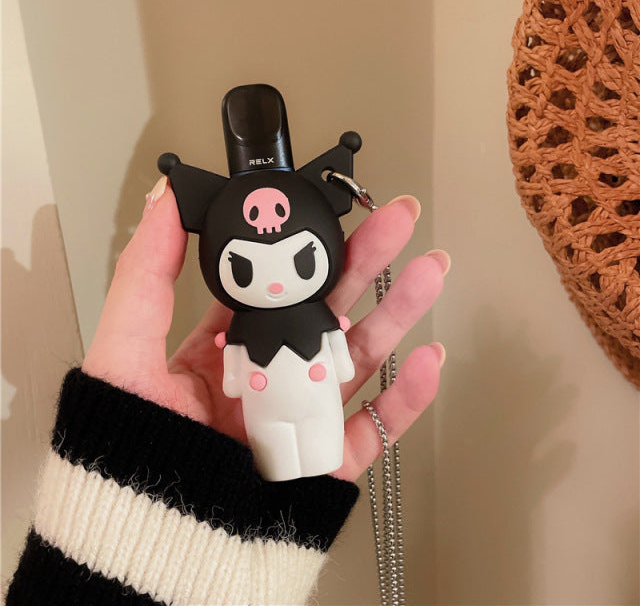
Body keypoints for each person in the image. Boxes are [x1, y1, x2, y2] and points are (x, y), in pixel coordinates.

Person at [5, 177, 449, 605]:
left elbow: (339, 354)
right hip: (266, 411)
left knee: (321, 443)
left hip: (313, 400)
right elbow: (238, 371)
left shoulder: (314, 320)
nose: (276, 283)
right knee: (277, 446)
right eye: (245, 267)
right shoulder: (243, 329)